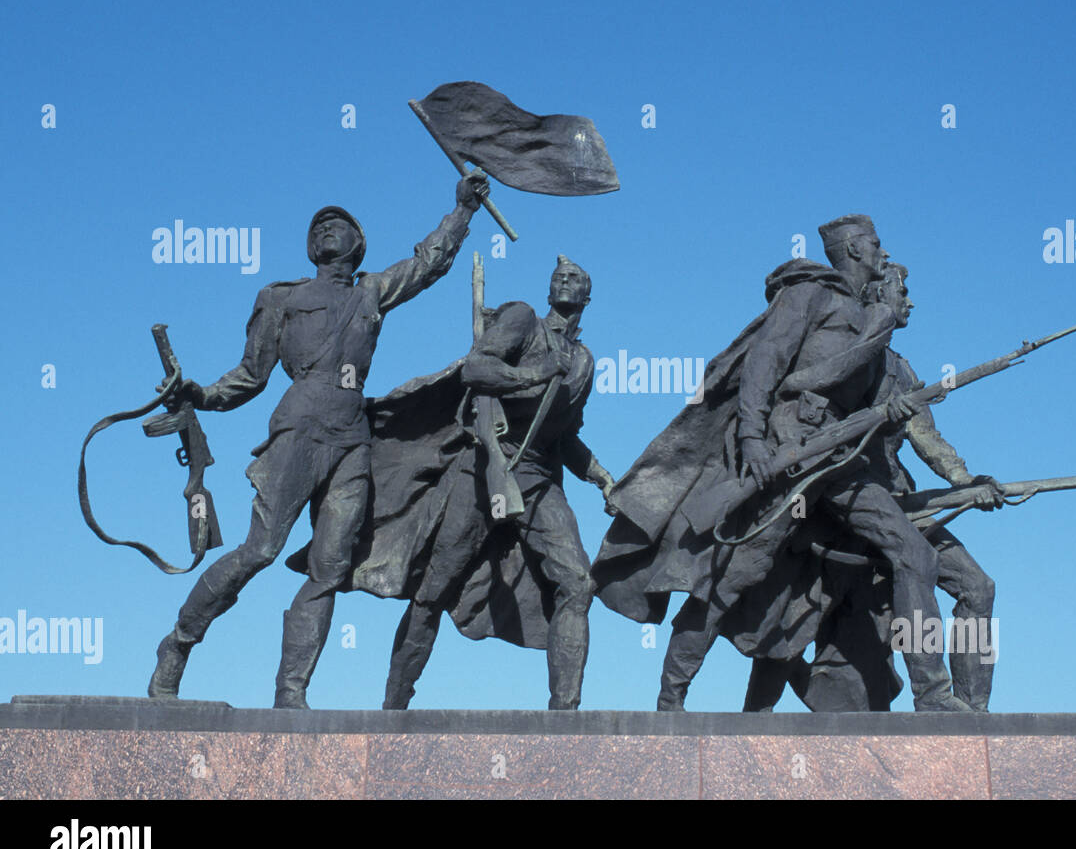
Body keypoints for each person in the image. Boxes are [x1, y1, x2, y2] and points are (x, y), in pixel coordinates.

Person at [594, 215, 972, 711]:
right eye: (876, 244)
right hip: (789, 449)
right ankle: (671, 698)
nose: (882, 252)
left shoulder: (873, 325)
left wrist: (900, 417)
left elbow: (875, 406)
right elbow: (764, 363)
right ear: (855, 249)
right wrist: (752, 438)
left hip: (841, 459)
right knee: (733, 576)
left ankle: (934, 695)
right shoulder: (811, 295)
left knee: (914, 555)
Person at [147, 172, 490, 707]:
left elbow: (429, 263)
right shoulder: (280, 298)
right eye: (320, 226)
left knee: (329, 570)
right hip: (300, 423)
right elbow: (249, 376)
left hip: (352, 437)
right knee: (260, 550)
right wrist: (201, 394)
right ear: (311, 246)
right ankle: (178, 645)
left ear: (358, 245)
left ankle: (291, 694)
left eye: (341, 224)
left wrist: (463, 212)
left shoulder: (372, 291)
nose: (328, 228)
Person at [742, 263, 1003, 712]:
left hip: (899, 498)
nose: (911, 301)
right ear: (879, 294)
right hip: (846, 494)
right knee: (906, 561)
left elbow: (928, 439)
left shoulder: (900, 368)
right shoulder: (846, 354)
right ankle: (932, 694)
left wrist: (966, 483)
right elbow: (815, 420)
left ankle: (972, 712)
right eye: (903, 291)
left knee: (979, 588)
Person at [363, 256, 615, 710]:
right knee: (435, 588)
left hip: (537, 477)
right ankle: (393, 705)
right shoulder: (522, 318)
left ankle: (565, 717)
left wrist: (600, 477)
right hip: (486, 465)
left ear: (587, 297)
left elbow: (565, 436)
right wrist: (535, 374)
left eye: (576, 277)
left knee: (578, 584)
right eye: (558, 274)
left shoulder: (583, 363)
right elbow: (476, 369)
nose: (564, 278)